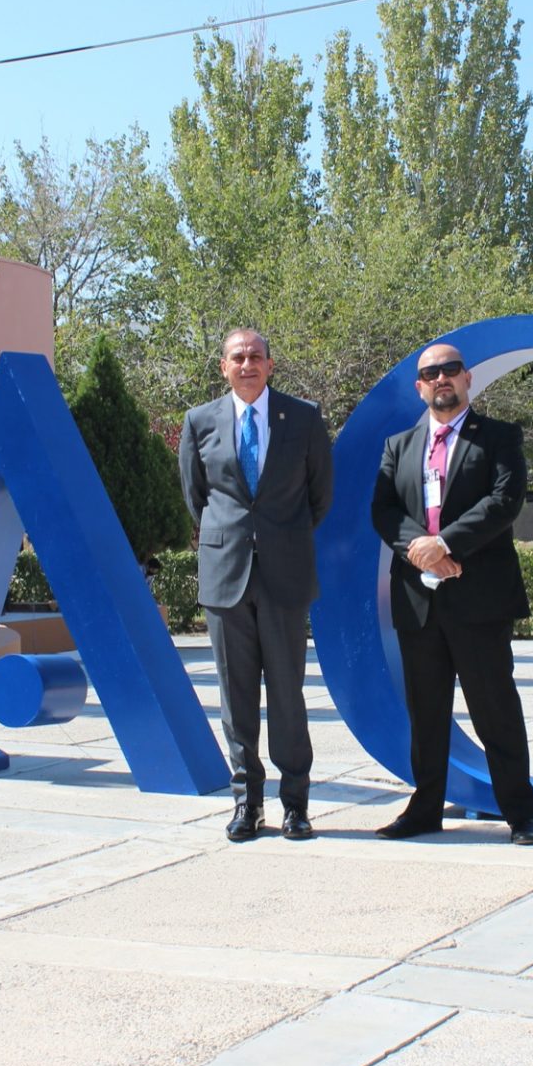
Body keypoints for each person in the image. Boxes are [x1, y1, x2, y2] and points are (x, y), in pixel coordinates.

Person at [370, 342, 533, 845]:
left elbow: (504, 500)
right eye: (430, 373)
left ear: (467, 378)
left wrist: (444, 543)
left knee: (495, 710)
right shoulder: (399, 445)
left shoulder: (499, 437)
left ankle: (520, 814)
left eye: (450, 369)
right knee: (426, 714)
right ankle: (425, 810)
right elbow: (383, 510)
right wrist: (420, 551)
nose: (441, 378)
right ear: (419, 387)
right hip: (418, 600)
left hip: (479, 598)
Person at [178, 328, 334, 842]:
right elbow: (197, 498)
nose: (247, 364)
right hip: (226, 577)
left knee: (288, 695)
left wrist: (279, 537)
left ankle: (295, 805)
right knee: (236, 697)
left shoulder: (303, 417)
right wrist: (234, 538)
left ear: (270, 365)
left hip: (285, 576)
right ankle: (247, 804)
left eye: (255, 357)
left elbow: (320, 495)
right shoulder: (199, 421)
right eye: (237, 357)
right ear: (223, 367)